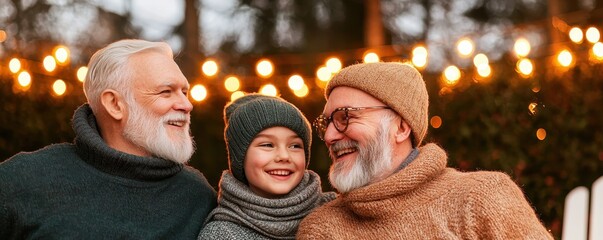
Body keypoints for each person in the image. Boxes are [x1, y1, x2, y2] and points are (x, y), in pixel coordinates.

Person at [296, 62, 553, 239]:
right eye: (326, 123)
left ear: (401, 127)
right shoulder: (323, 229)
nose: (329, 136)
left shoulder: (482, 196)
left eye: (344, 117)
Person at [0, 39, 217, 239]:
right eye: (166, 92)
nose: (187, 105)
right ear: (114, 104)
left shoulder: (197, 196)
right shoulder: (23, 180)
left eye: (185, 92)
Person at [198, 94, 336, 240]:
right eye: (267, 145)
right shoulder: (221, 234)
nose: (284, 156)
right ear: (240, 157)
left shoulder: (336, 214)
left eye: (295, 146)